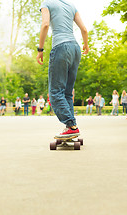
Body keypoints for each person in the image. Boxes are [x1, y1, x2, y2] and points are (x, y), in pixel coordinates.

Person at [37, 0, 88, 137]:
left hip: (61, 47)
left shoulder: (46, 3)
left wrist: (40, 49)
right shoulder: (71, 5)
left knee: (54, 93)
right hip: (75, 48)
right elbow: (84, 29)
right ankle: (70, 127)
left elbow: (45, 25)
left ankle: (71, 125)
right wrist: (86, 45)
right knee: (67, 93)